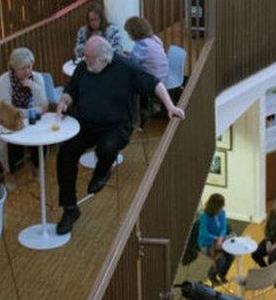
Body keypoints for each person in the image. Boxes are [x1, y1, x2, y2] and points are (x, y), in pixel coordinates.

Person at [54, 36, 184, 234]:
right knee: (64, 155)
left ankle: (102, 170)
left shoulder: (126, 68)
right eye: (85, 57)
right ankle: (70, 209)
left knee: (106, 148)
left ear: (105, 58)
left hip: (118, 126)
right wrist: (64, 100)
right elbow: (71, 88)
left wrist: (171, 106)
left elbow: (155, 84)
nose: (85, 61)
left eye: (89, 58)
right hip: (87, 124)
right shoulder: (84, 67)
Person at [0, 48, 47, 188]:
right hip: (8, 120)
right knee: (11, 142)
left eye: (30, 67)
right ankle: (9, 173)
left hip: (30, 118)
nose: (28, 71)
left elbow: (44, 107)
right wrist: (32, 111)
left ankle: (36, 167)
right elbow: (7, 110)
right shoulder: (4, 81)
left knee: (42, 137)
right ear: (14, 68)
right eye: (23, 68)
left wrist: (35, 88)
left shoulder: (37, 78)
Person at [199, 193, 233, 285]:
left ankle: (222, 274)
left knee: (231, 256)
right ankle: (212, 275)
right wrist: (216, 238)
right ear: (214, 206)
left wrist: (221, 238)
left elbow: (223, 228)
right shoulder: (204, 215)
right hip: (206, 242)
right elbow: (204, 233)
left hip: (219, 239)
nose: (222, 208)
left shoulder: (222, 212)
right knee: (221, 259)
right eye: (220, 206)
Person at [124, 17, 167, 82]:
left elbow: (131, 65)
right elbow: (146, 57)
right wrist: (131, 54)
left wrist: (122, 58)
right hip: (163, 76)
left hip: (153, 81)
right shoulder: (154, 38)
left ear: (133, 32)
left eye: (128, 33)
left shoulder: (142, 45)